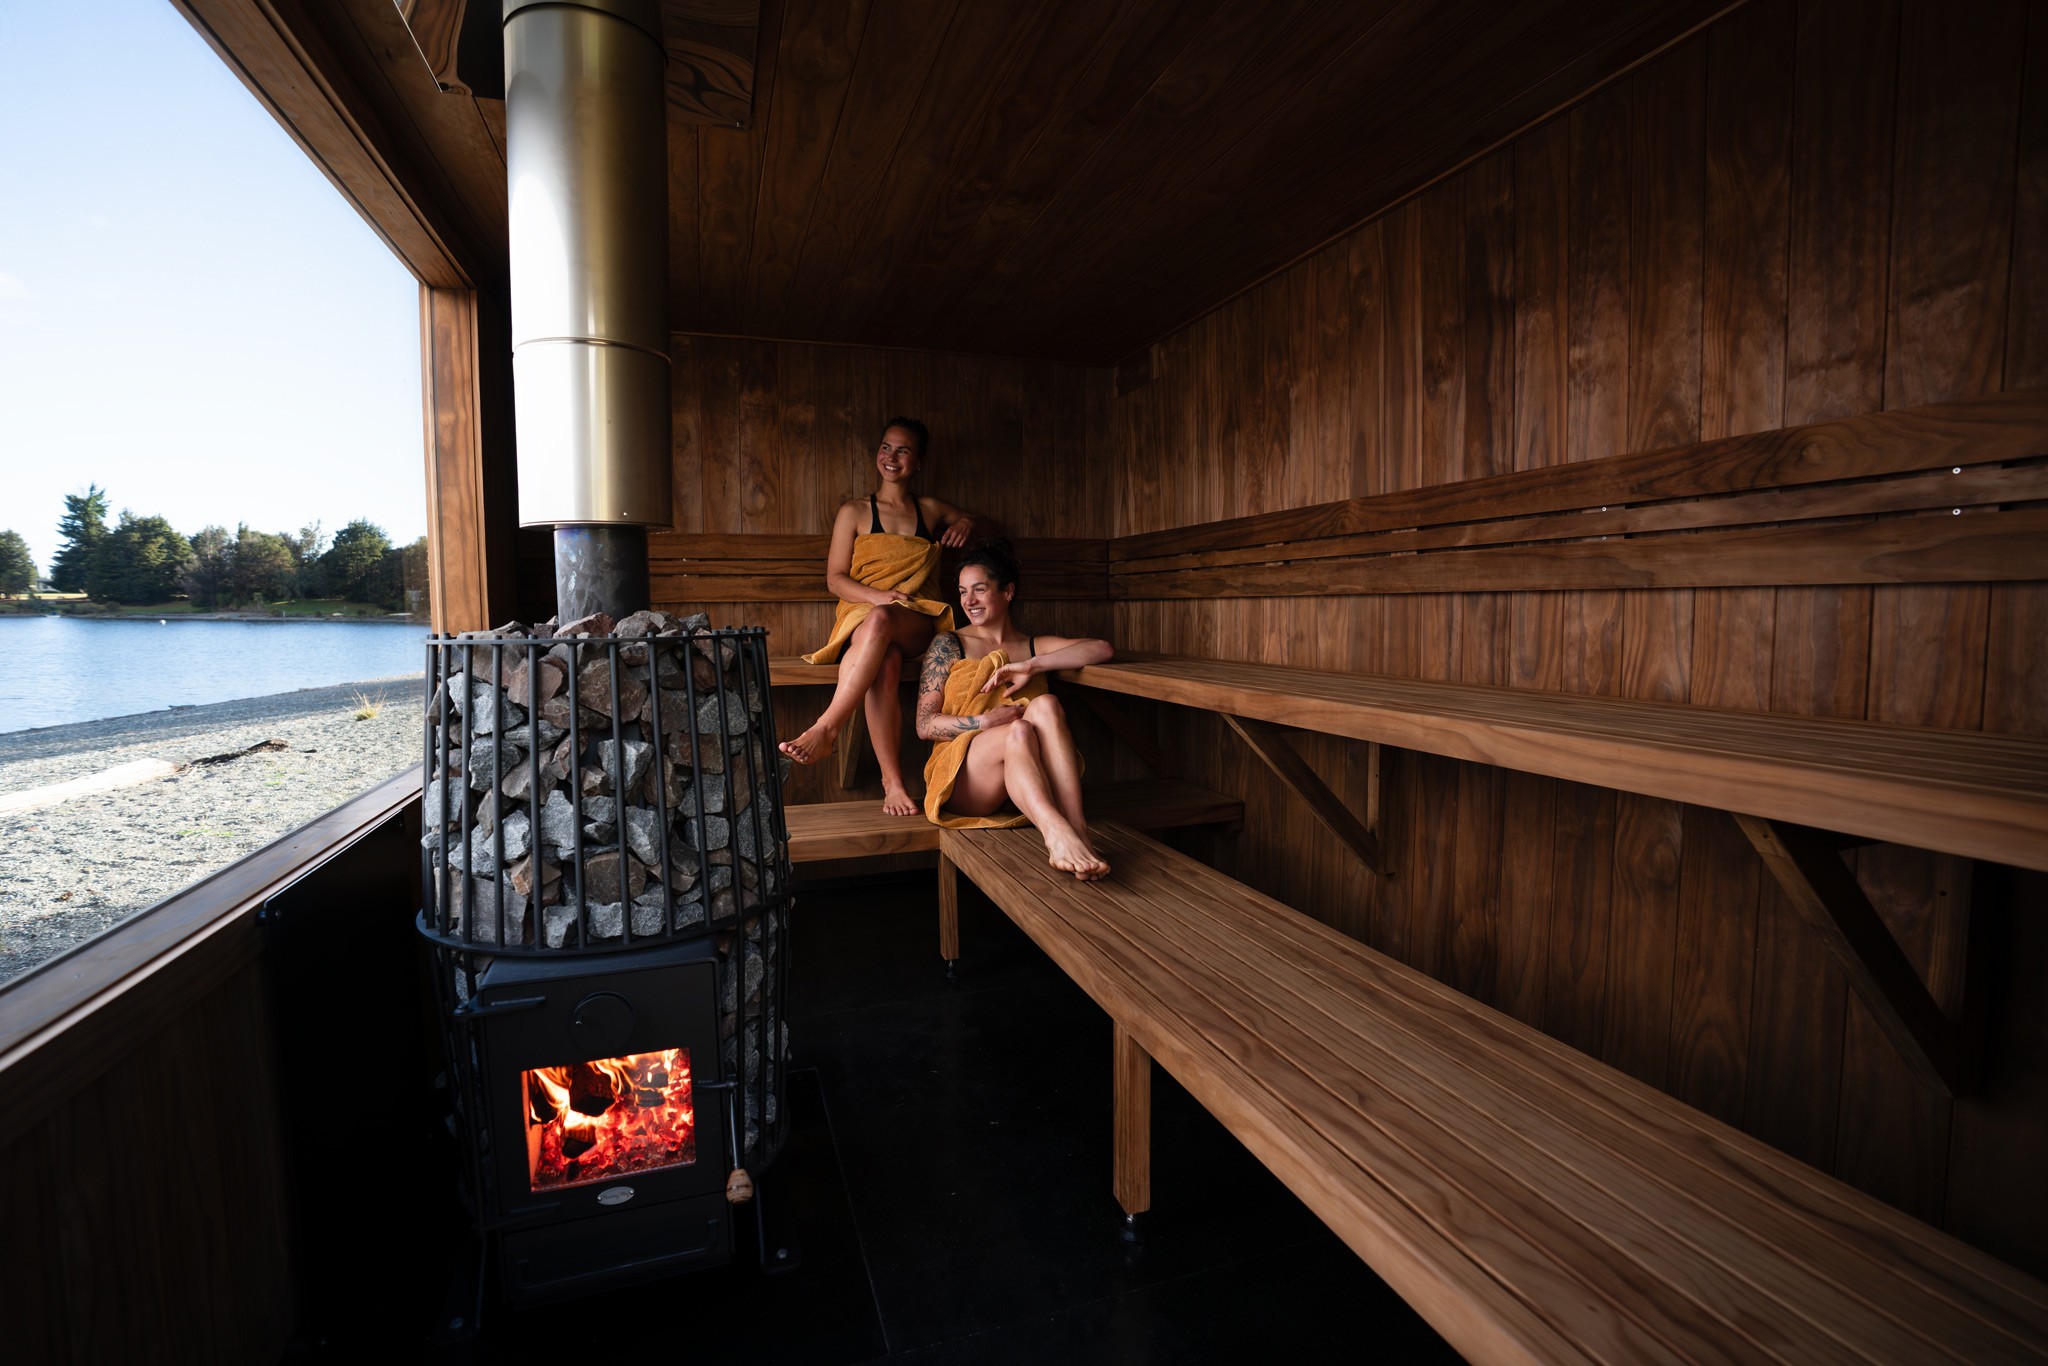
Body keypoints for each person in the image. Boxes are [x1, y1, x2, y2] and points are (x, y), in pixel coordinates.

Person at [781, 417, 990, 818]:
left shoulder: (929, 510)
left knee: (882, 625)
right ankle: (892, 783)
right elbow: (835, 580)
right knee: (886, 662)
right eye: (885, 447)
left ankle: (827, 727)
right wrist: (878, 597)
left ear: (919, 461)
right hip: (862, 613)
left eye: (903, 450)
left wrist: (965, 522)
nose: (891, 457)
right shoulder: (855, 511)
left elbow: (981, 523)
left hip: (916, 615)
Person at [917, 540, 1113, 880]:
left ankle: (1078, 831)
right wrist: (984, 721)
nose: (969, 601)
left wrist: (1033, 666)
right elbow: (924, 724)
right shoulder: (949, 643)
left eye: (979, 589)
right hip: (963, 777)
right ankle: (1055, 833)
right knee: (1018, 729)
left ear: (1007, 592)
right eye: (963, 591)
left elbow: (1101, 648)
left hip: (1023, 774)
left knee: (1046, 704)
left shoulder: (1030, 645)